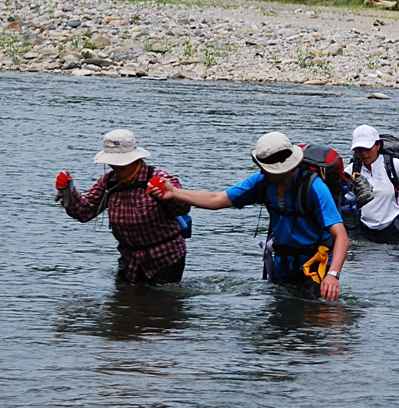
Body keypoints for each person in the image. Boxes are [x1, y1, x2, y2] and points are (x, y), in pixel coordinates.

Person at [149, 131, 348, 301]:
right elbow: (216, 199)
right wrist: (174, 192)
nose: (261, 170)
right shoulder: (263, 182)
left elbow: (341, 236)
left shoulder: (314, 188)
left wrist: (333, 275)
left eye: (265, 167)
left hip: (316, 266)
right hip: (283, 264)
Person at [55, 129, 190, 285]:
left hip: (165, 257)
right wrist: (69, 193)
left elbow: (183, 208)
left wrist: (170, 195)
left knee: (161, 304)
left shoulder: (160, 179)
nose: (116, 166)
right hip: (129, 258)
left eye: (121, 162)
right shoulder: (108, 182)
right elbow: (84, 212)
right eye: (113, 161)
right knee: (123, 305)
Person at [344, 125, 399, 245]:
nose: (363, 153)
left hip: (394, 228)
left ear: (378, 146)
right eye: (359, 149)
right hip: (364, 229)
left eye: (367, 148)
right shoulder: (352, 169)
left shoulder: (395, 165)